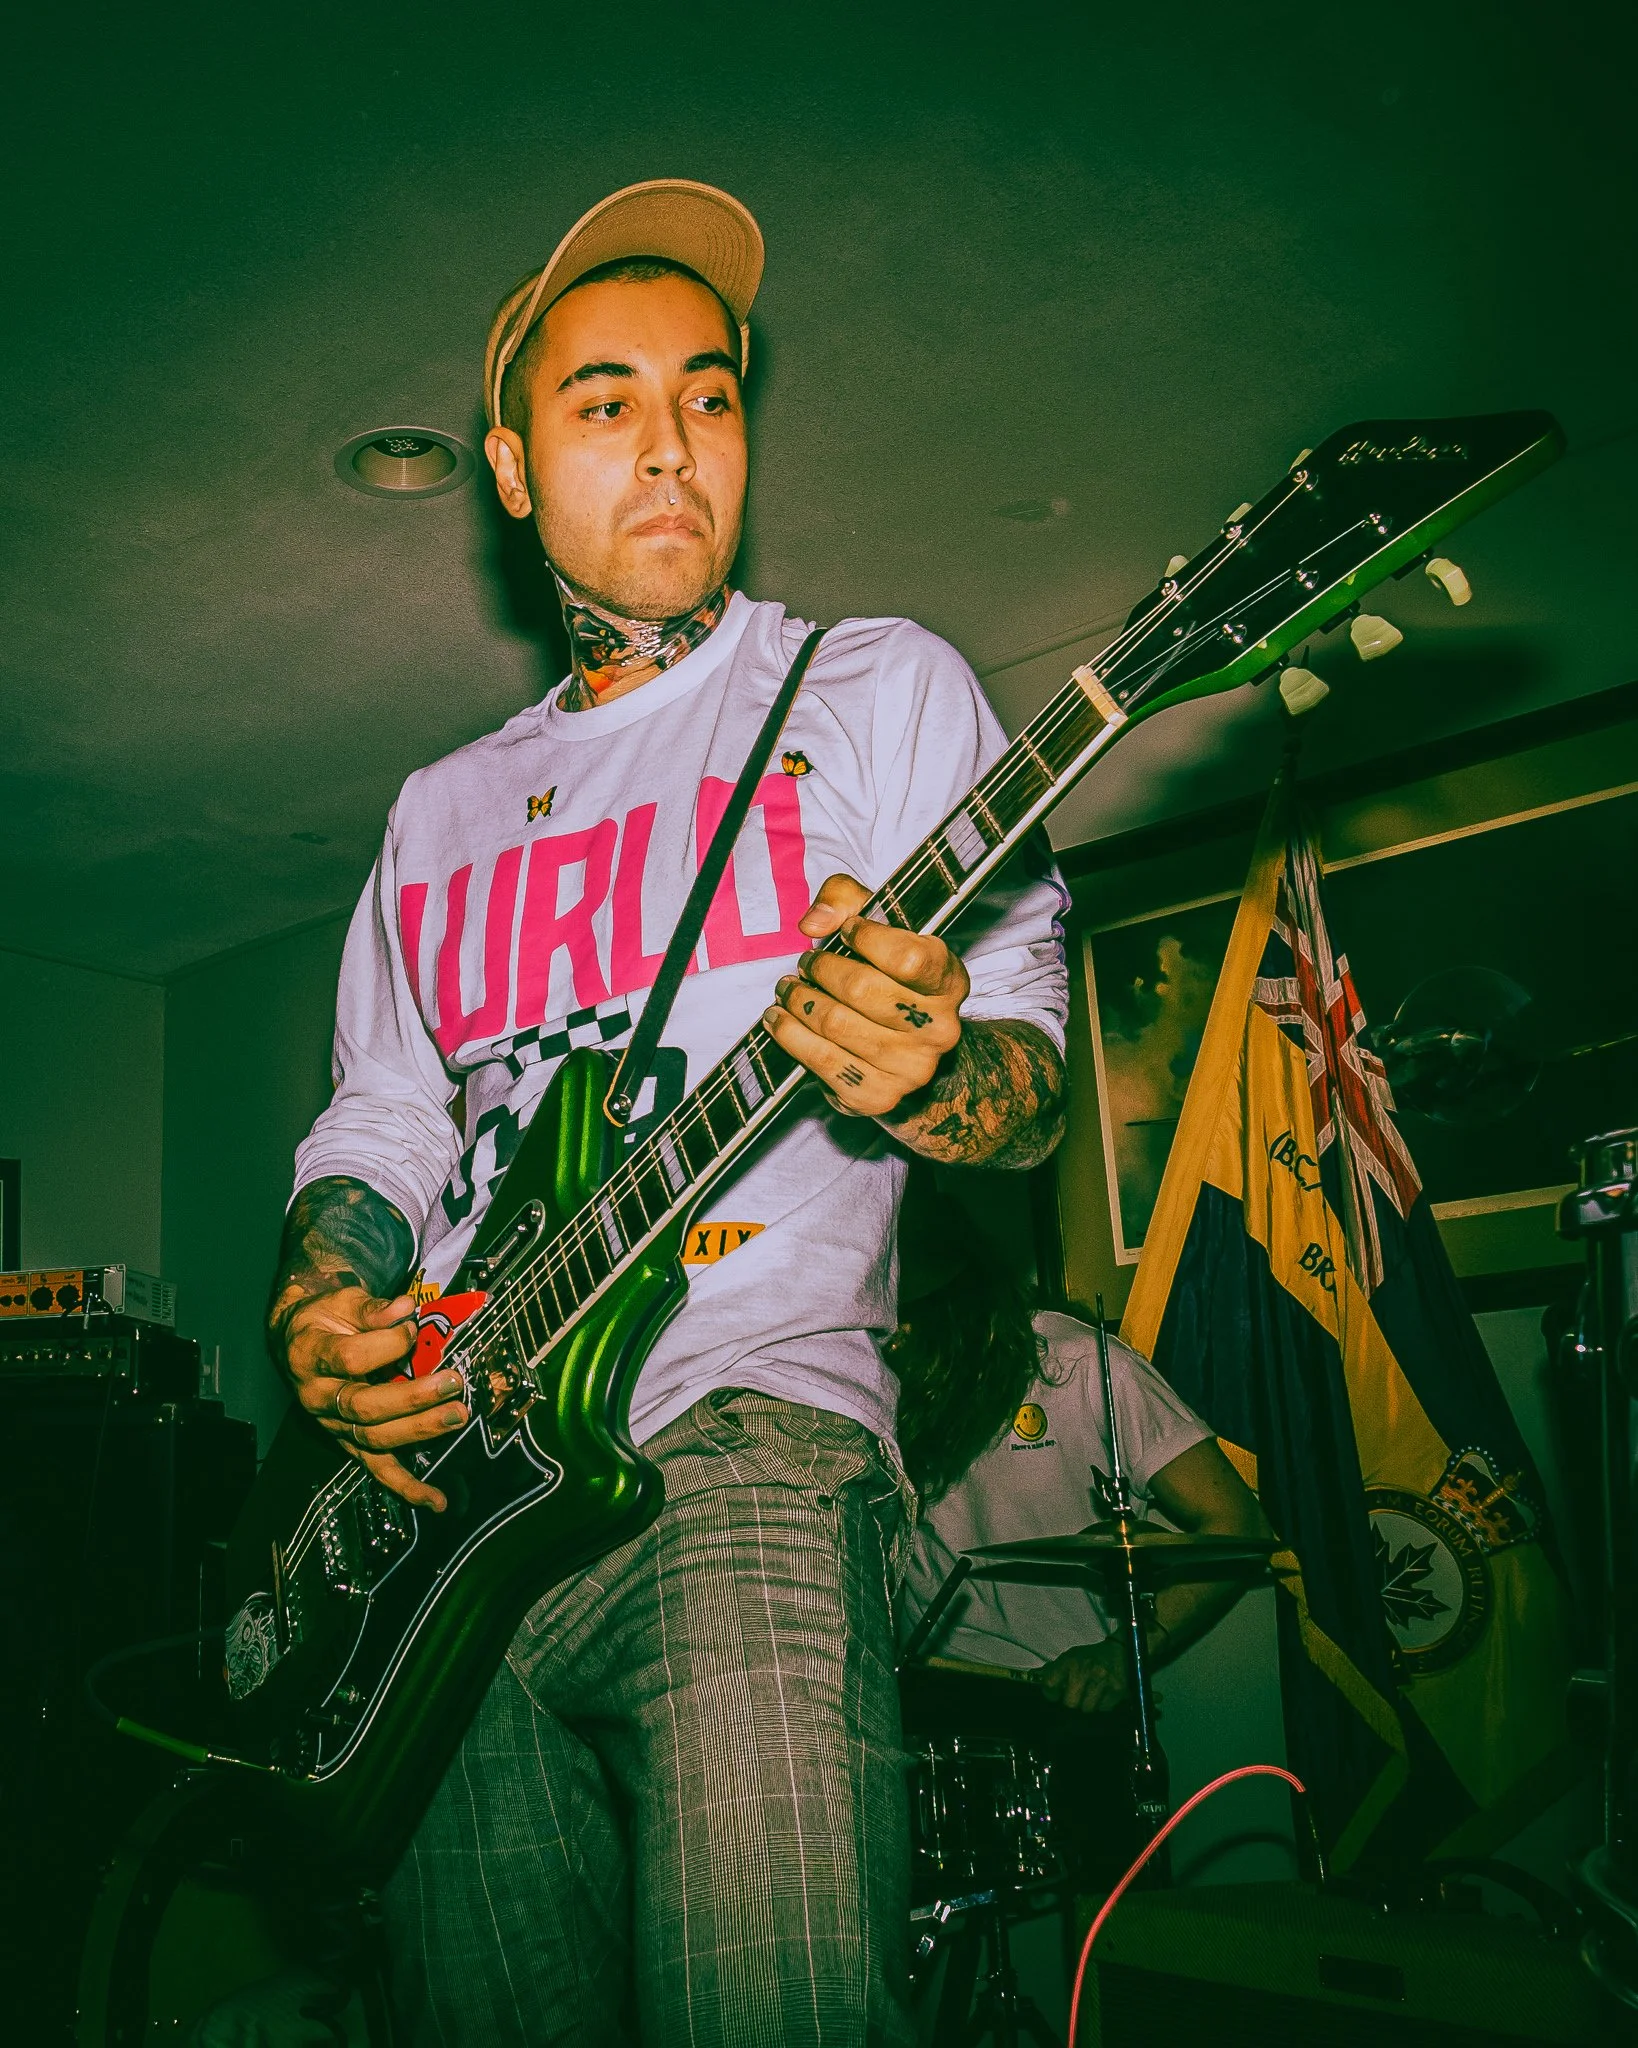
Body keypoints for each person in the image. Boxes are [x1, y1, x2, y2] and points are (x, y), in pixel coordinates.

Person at [264, 180, 1070, 2047]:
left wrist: (935, 1071)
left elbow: (1023, 1076)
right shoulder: (435, 810)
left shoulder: (872, 691)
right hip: (449, 1504)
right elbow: (378, 1124)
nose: (669, 445)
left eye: (706, 397)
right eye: (603, 400)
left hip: (740, 1444)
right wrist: (326, 1295)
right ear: (512, 467)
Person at [894, 1184, 1269, 1854]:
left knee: (1122, 1936)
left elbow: (1234, 1527)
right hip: (925, 1706)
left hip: (1071, 1705)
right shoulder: (860, 1381)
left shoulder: (1078, 1367)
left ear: (962, 1301)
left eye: (911, 1317)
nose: (895, 1339)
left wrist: (1121, 1657)